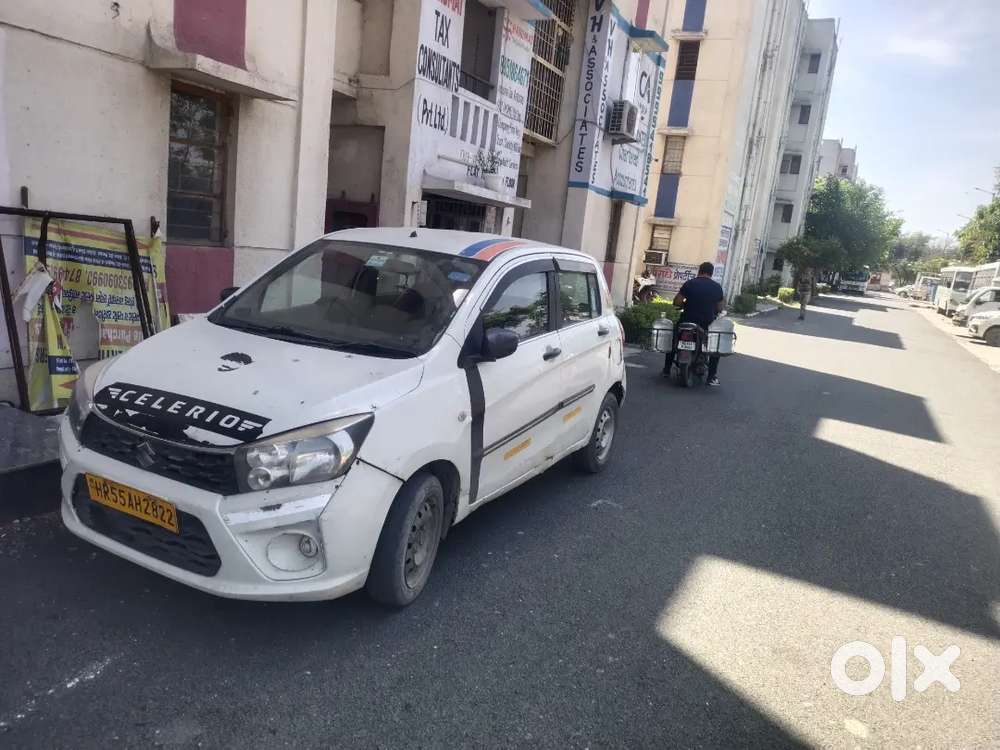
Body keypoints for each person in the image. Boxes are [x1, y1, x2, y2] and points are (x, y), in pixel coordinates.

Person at [662, 261, 725, 386]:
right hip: (706, 323)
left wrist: (685, 304)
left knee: (673, 340)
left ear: (699, 271)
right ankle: (711, 377)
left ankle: (666, 370)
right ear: (711, 273)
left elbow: (677, 302)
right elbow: (720, 308)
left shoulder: (689, 283)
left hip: (686, 321)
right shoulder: (717, 287)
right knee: (714, 347)